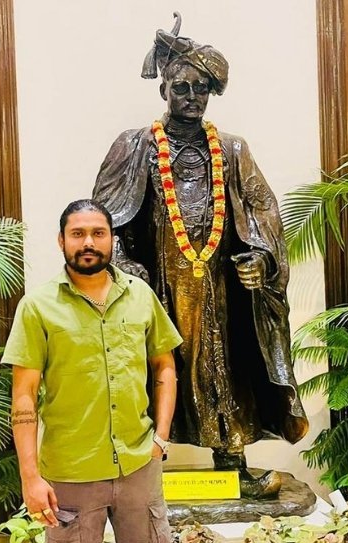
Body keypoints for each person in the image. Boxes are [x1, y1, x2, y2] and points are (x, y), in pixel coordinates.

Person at [92, 13, 309, 499]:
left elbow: (263, 208)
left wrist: (262, 257)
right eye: (182, 87)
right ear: (164, 89)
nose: (192, 97)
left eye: (202, 89)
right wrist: (125, 267)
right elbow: (102, 220)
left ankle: (232, 463)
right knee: (155, 371)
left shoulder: (232, 149)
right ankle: (142, 471)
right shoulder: (135, 146)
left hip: (220, 287)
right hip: (157, 287)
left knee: (223, 364)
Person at [2, 199, 183, 543]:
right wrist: (30, 478)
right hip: (71, 475)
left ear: (111, 240)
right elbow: (23, 397)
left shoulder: (140, 296)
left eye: (98, 233)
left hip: (138, 467)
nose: (88, 242)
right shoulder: (38, 307)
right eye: (78, 233)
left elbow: (165, 367)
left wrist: (161, 437)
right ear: (61, 241)